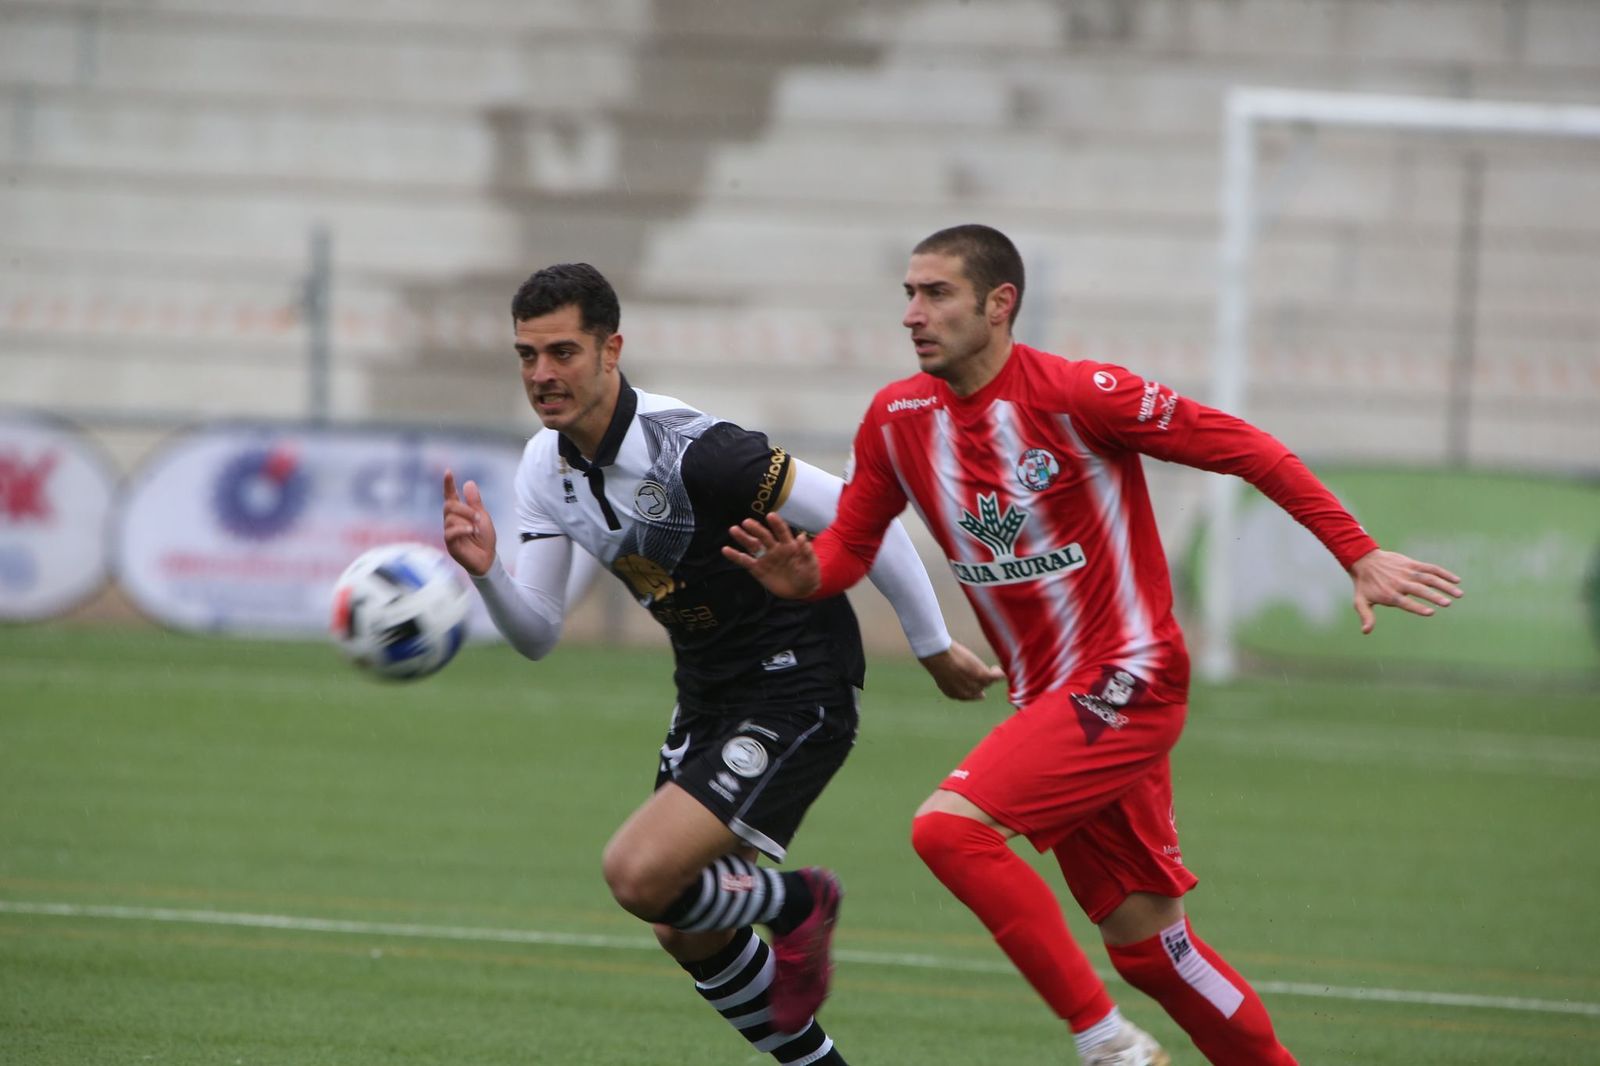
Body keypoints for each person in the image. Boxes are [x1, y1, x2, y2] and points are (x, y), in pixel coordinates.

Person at [723, 224, 1465, 1066]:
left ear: (999, 304)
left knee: (948, 833)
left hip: (1130, 678)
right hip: (1053, 704)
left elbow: (1244, 447)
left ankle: (1105, 1040)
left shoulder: (1081, 396)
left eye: (936, 294)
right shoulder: (898, 419)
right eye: (908, 295)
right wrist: (806, 576)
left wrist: (1356, 551)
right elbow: (852, 546)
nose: (913, 315)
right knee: (1152, 950)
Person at [441, 262, 1001, 1066]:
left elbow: (861, 514)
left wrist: (930, 643)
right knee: (685, 925)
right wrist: (488, 572)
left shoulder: (698, 452)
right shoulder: (543, 468)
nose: (542, 375)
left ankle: (801, 900)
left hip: (798, 680)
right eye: (527, 355)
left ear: (611, 350)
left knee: (638, 876)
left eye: (563, 352)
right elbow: (537, 634)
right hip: (708, 694)